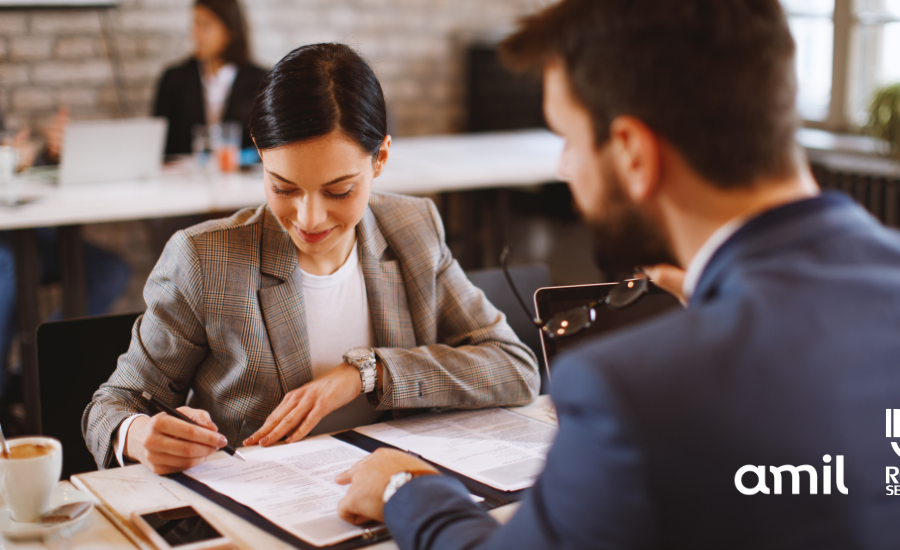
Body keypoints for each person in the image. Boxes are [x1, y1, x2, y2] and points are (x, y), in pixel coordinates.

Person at [333, 1, 900, 548]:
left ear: (631, 153)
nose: (566, 168)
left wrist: (406, 490)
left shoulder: (632, 391)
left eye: (569, 140)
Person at [83, 43, 540, 475]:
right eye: (283, 187)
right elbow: (112, 406)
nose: (308, 218)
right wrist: (137, 435)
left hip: (389, 494)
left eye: (339, 190)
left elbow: (515, 367)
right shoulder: (205, 259)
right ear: (260, 154)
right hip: (260, 504)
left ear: (380, 158)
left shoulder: (413, 228)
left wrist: (370, 372)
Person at [0, 110, 131, 414]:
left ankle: (36, 372)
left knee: (110, 271)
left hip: (26, 231)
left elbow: (18, 169)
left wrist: (46, 154)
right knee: (12, 267)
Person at [154, 0, 266, 155]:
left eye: (205, 25)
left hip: (242, 170)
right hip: (185, 170)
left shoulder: (261, 81)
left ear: (230, 31)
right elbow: (159, 143)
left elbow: (269, 145)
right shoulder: (174, 79)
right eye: (195, 24)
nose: (196, 33)